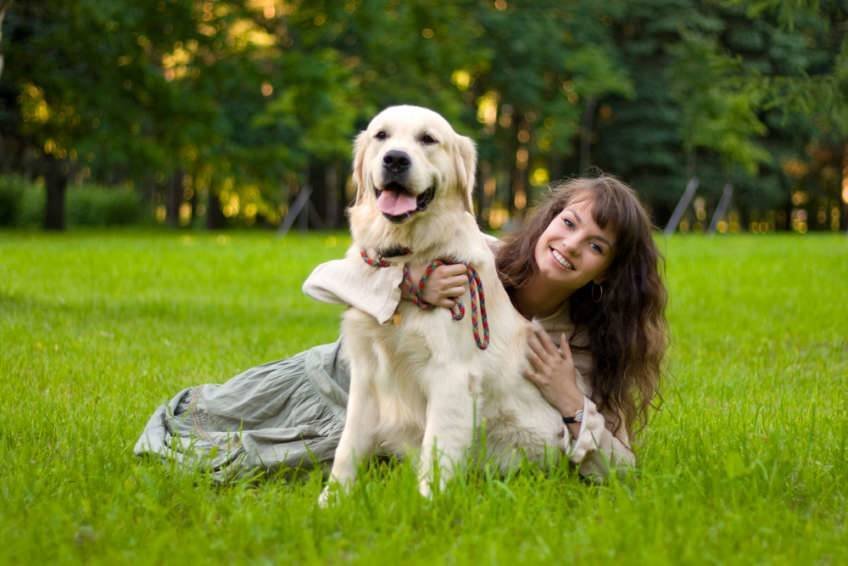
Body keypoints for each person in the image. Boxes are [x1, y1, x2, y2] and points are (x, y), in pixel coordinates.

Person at [135, 175, 667, 481]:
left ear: (608, 273)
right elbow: (330, 277)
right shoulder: (477, 256)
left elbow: (622, 470)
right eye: (569, 223)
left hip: (393, 433)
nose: (572, 244)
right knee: (192, 425)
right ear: (549, 221)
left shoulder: (582, 347)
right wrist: (410, 292)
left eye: (596, 245)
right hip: (333, 380)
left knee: (250, 467)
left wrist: (571, 402)